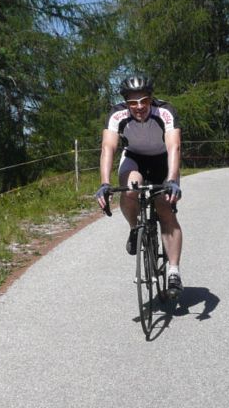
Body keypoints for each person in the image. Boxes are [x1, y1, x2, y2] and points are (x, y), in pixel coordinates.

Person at [94, 74, 184, 299]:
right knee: (130, 189)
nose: (139, 106)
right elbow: (108, 147)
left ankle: (173, 271)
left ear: (151, 99)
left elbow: (174, 147)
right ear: (126, 102)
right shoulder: (117, 114)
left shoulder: (165, 111)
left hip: (162, 159)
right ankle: (135, 228)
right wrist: (105, 183)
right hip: (134, 158)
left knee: (164, 207)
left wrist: (172, 180)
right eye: (133, 102)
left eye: (144, 100)